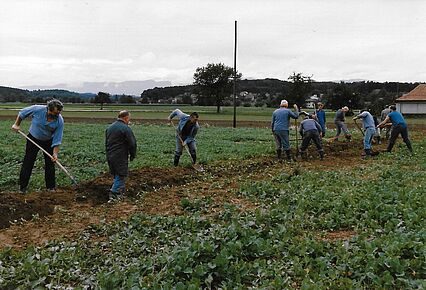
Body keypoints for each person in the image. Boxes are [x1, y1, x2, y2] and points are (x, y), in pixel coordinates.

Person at [11, 99, 64, 194]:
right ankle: (22, 188)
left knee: (50, 164)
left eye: (57, 114)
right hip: (33, 138)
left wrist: (55, 154)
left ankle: (50, 188)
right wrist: (16, 124)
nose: (55, 116)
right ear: (48, 109)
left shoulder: (59, 121)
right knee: (28, 162)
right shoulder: (37, 109)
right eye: (53, 114)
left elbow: (57, 139)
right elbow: (22, 113)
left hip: (48, 141)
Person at [105, 110, 137, 199]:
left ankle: (119, 193)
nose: (129, 121)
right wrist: (132, 155)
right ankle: (114, 195)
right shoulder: (125, 128)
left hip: (110, 155)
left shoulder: (110, 128)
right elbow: (132, 143)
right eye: (129, 119)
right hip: (120, 156)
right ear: (126, 118)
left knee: (116, 174)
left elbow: (106, 142)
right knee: (121, 175)